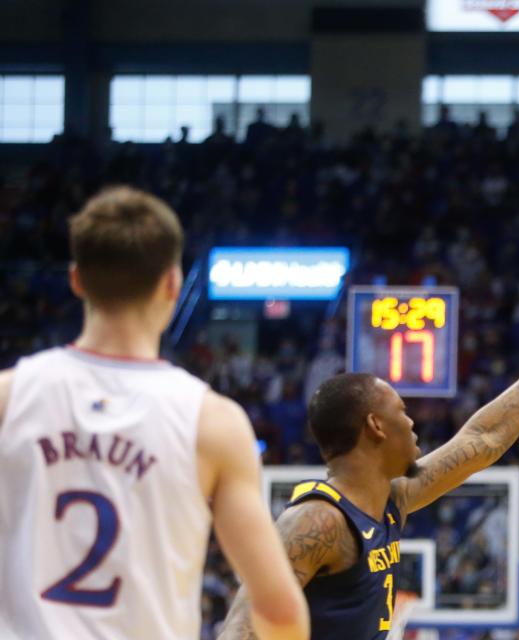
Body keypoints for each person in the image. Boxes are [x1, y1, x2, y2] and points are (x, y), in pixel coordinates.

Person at [218, 277, 519, 640]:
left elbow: (484, 438)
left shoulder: (390, 501)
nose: (413, 422)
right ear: (375, 427)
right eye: (401, 411)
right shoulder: (316, 521)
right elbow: (241, 628)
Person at [0, 187, 309, 640]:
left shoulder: (9, 398)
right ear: (171, 284)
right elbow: (281, 613)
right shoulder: (214, 423)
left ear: (76, 280)